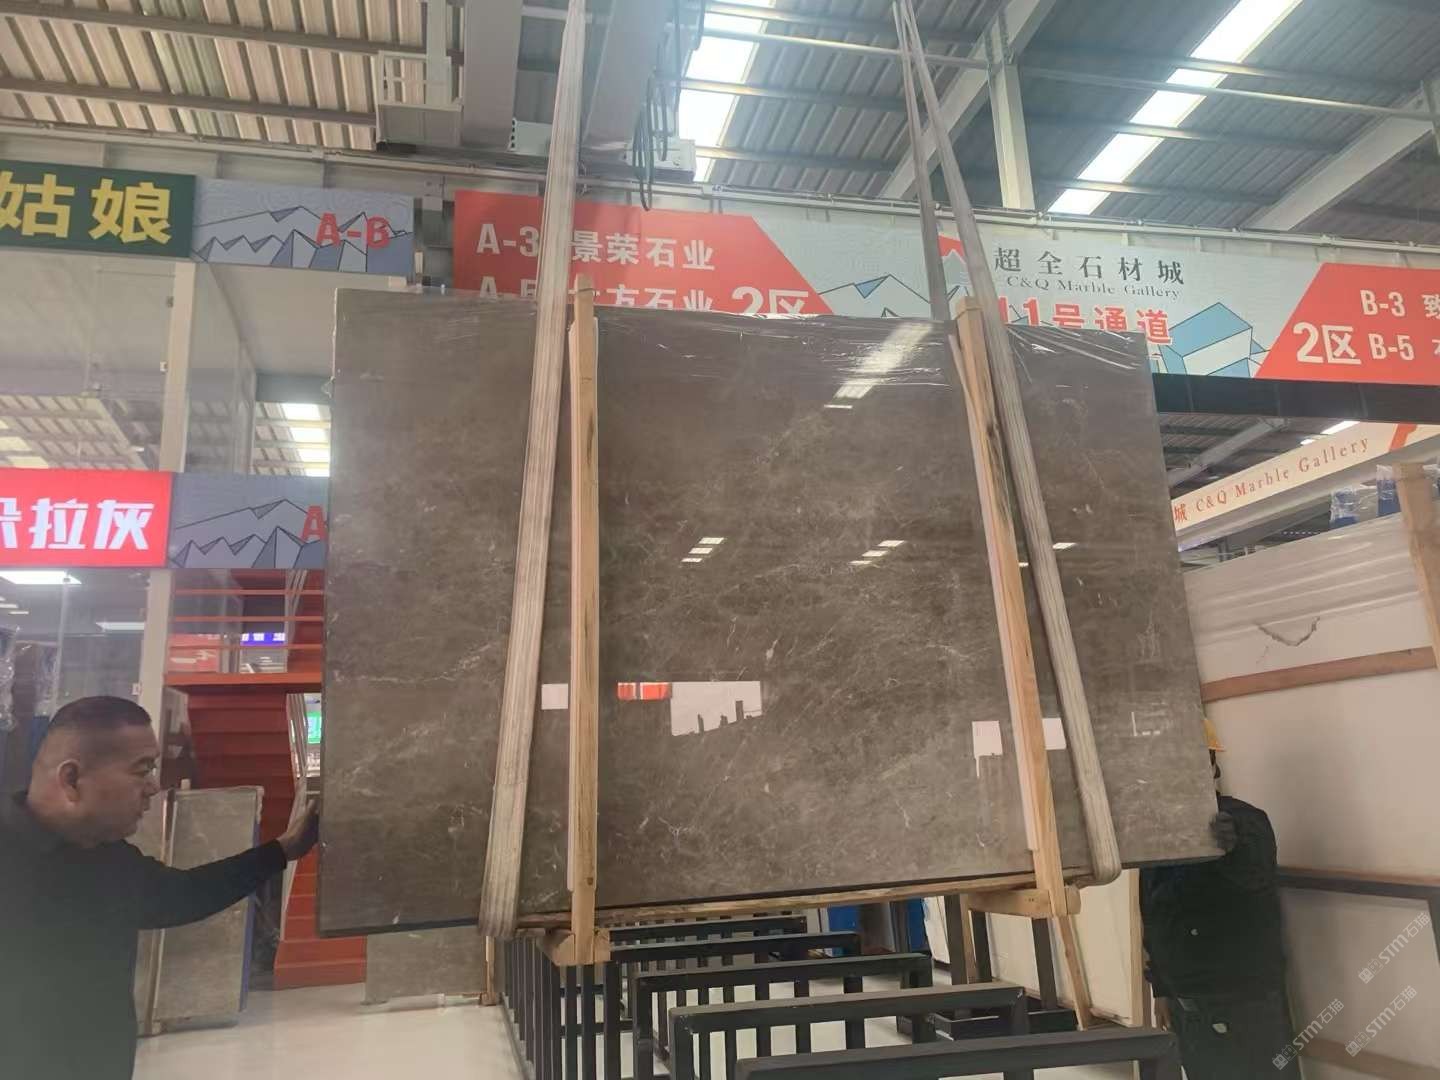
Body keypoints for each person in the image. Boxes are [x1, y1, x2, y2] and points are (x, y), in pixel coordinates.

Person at [1, 694, 320, 1080]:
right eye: (142, 770)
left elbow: (183, 895)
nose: (153, 787)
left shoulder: (108, 857)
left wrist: (282, 850)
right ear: (71, 779)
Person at [1140, 719, 1297, 1079]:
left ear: (1212, 766)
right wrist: (1161, 989)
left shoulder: (1244, 821)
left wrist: (1233, 845)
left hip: (1244, 1004)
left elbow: (1254, 875)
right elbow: (1152, 911)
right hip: (1187, 1007)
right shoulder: (1159, 834)